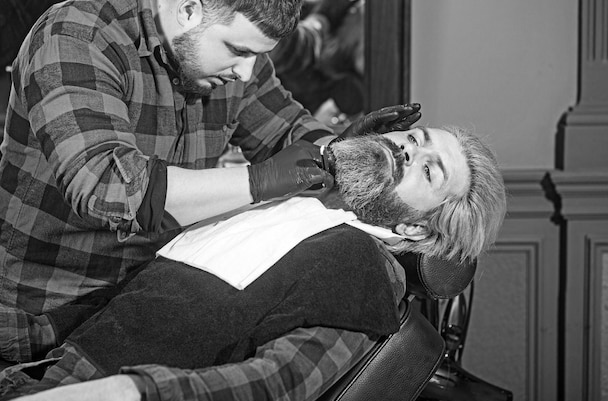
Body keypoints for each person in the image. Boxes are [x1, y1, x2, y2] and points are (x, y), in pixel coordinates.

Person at [0, 0, 422, 365]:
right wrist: (260, 181)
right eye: (237, 51)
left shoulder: (237, 63)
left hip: (138, 307)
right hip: (40, 312)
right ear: (188, 9)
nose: (246, 72)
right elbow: (109, 187)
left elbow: (288, 130)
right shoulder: (76, 35)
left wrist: (342, 152)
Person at [0, 125, 507, 401]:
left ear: (418, 232)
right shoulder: (287, 203)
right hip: (43, 375)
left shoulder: (362, 271)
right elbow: (133, 312)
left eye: (427, 169)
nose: (407, 149)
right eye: (415, 138)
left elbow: (273, 389)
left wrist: (123, 395)